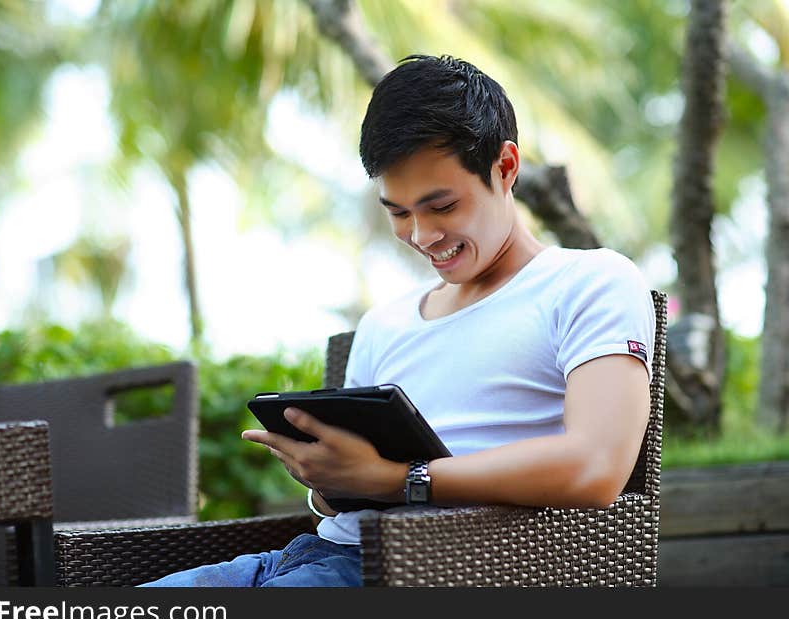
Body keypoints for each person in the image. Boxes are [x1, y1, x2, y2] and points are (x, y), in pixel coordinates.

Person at [140, 54, 655, 587]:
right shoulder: (384, 323)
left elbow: (596, 468)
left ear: (505, 167)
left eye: (443, 205)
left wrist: (398, 480)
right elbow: (337, 502)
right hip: (308, 555)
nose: (422, 235)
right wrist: (327, 477)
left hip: (430, 570)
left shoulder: (590, 282)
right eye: (399, 212)